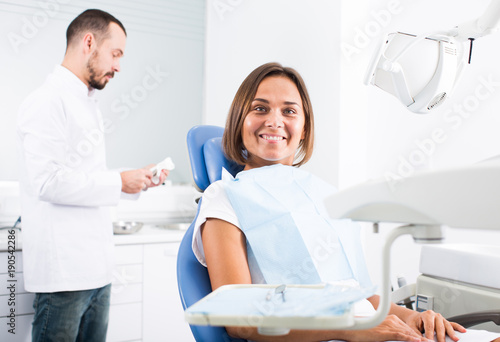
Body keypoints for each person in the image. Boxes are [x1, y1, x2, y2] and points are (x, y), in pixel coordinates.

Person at [191, 62, 500, 342]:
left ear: (304, 128)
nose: (274, 121)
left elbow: (361, 294)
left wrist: (414, 318)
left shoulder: (325, 195)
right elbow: (239, 321)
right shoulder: (224, 196)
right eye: (260, 109)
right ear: (239, 120)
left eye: (288, 111)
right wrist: (351, 328)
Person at [17, 9, 168, 342]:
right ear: (89, 42)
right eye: (115, 54)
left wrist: (133, 180)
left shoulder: (87, 102)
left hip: (97, 273)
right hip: (64, 279)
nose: (118, 66)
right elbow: (48, 182)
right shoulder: (46, 102)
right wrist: (117, 182)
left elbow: (84, 178)